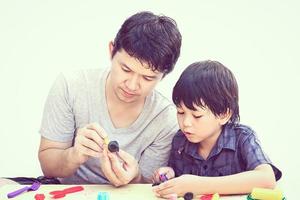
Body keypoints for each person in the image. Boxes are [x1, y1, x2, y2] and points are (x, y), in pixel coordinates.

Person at [37, 11, 182, 186]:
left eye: (147, 78)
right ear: (111, 50)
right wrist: (74, 155)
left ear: (163, 76)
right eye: (126, 69)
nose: (132, 85)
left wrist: (135, 178)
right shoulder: (71, 86)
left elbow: (148, 189)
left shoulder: (166, 120)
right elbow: (48, 167)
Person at [152, 60, 282, 198]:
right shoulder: (180, 141)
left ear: (224, 114)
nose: (186, 123)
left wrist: (198, 185)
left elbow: (267, 179)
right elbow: (180, 182)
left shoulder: (243, 138)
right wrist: (169, 174)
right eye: (180, 112)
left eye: (197, 116)